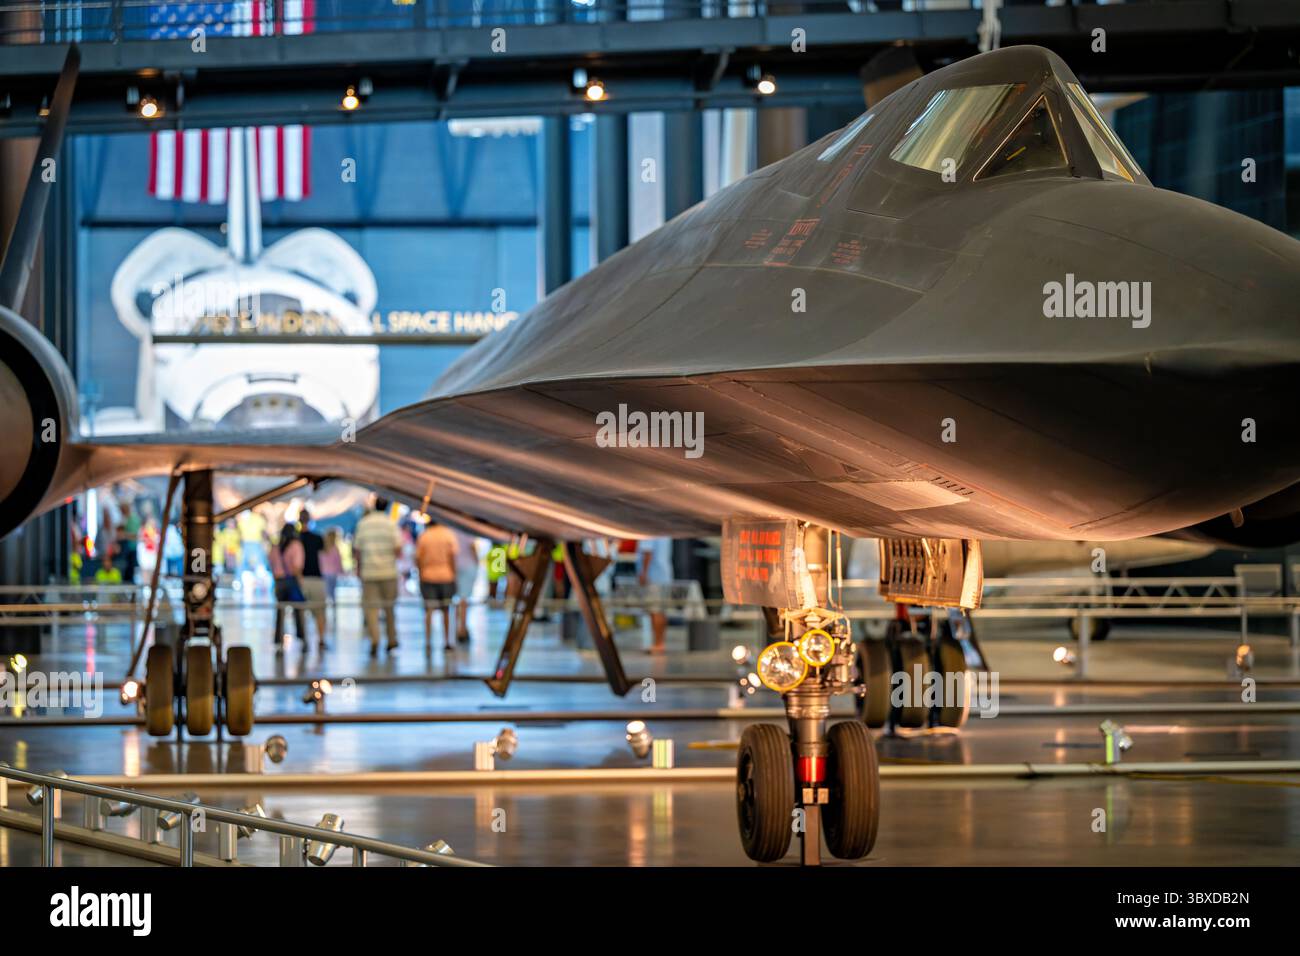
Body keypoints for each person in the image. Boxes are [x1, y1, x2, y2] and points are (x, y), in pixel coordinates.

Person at [354, 498, 402, 657]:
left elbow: (357, 550)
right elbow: (398, 548)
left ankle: (375, 640)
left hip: (369, 573)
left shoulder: (364, 524)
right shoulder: (391, 524)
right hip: (389, 572)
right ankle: (391, 640)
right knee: (389, 609)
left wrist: (359, 569)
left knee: (371, 610)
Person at [416, 518, 459, 650]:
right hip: (446, 576)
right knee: (446, 610)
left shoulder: (424, 536)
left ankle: (428, 641)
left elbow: (418, 558)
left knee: (429, 610)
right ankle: (447, 641)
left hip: (428, 576)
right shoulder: (448, 534)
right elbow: (452, 556)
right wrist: (453, 573)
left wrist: (421, 572)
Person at [269, 524, 307, 648]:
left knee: (280, 613)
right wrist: (300, 581)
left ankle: (279, 641)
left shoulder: (275, 547)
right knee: (298, 611)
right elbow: (297, 567)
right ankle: (302, 640)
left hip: (279, 582)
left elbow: (271, 564)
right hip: (292, 581)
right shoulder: (296, 545)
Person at [297, 508, 328, 650]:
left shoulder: (296, 539)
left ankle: (304, 641)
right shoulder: (317, 538)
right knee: (320, 612)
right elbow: (325, 554)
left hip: (301, 579)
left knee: (302, 613)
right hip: (316, 579)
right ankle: (321, 639)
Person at [637, 537, 674, 654]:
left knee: (655, 611)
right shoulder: (664, 532)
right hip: (664, 575)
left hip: (653, 576)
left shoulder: (648, 532)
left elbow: (648, 552)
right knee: (660, 611)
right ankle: (660, 643)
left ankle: (657, 644)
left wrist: (643, 573)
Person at [320, 528, 343, 619]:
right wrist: (341, 571)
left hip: (324, 574)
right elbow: (338, 562)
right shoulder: (335, 549)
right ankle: (334, 615)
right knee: (332, 595)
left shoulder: (322, 549)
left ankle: (325, 614)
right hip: (333, 574)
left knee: (325, 595)